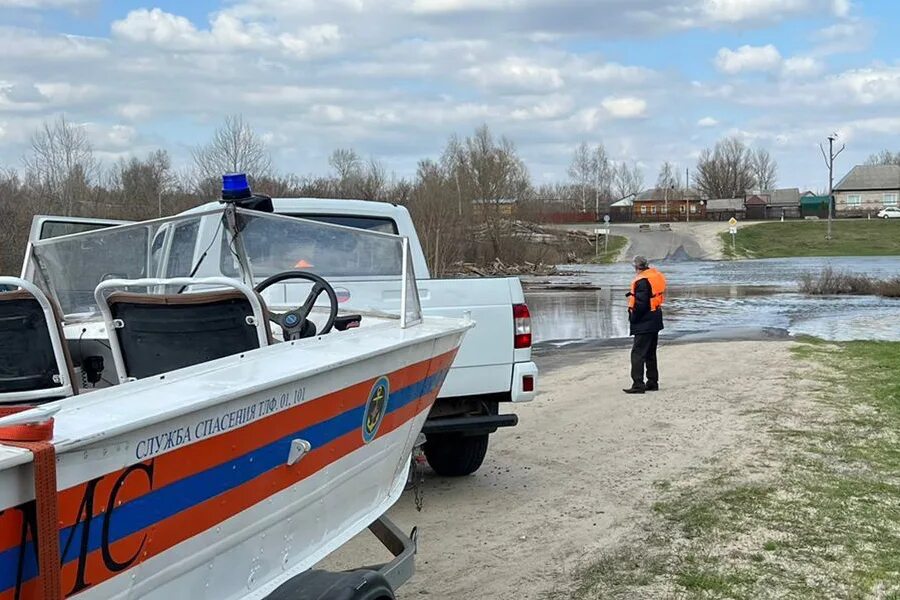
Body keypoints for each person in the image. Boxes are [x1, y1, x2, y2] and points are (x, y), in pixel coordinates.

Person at [623, 255, 666, 394]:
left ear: (636, 267)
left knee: (638, 353)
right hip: (655, 317)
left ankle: (638, 384)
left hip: (645, 320)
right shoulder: (654, 275)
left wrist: (633, 318)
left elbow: (641, 304)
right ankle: (652, 382)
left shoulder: (642, 281)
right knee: (650, 352)